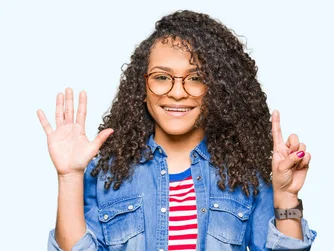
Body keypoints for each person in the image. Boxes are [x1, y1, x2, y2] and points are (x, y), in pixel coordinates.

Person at [38, 10, 316, 251]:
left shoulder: (244, 175)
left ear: (216, 89)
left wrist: (287, 197)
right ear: (142, 86)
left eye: (195, 78)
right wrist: (69, 177)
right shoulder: (108, 173)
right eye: (162, 77)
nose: (177, 93)